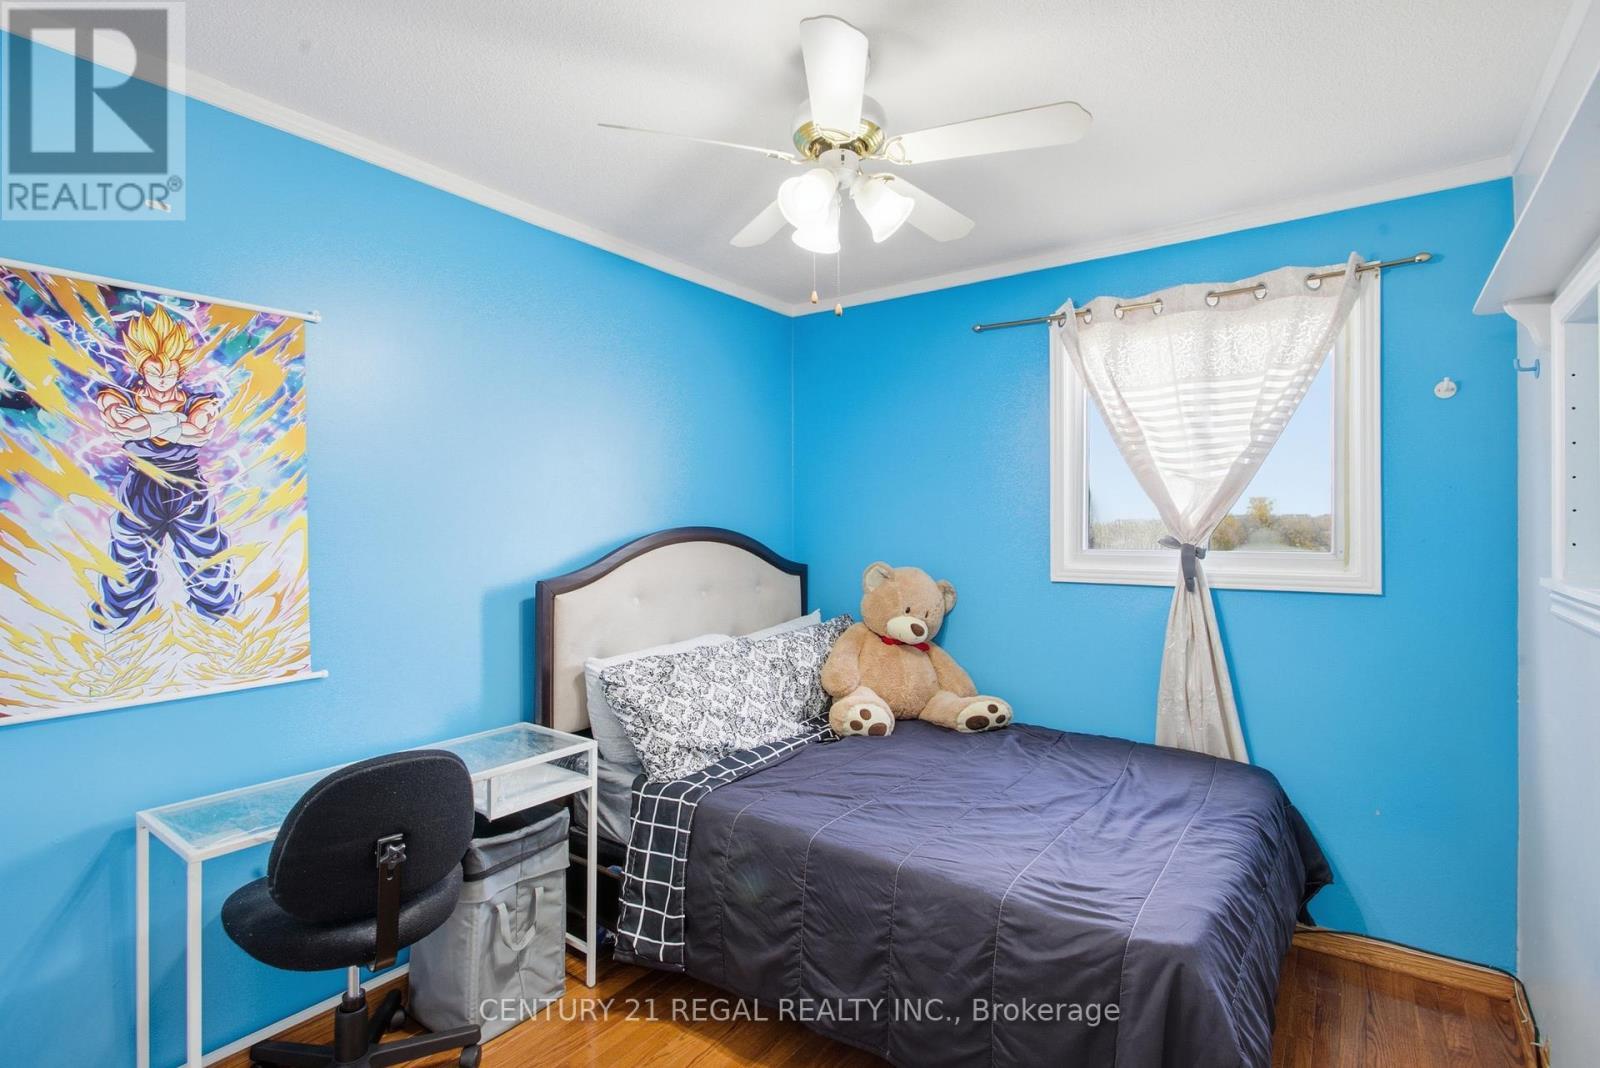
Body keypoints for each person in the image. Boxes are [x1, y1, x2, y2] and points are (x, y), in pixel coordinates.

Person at [93, 305, 237, 629]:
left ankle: (220, 628)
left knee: (207, 559)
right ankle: (122, 631)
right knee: (129, 561)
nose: (162, 379)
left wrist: (149, 423)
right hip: (140, 485)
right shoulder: (116, 396)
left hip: (188, 487)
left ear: (179, 370)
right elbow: (123, 426)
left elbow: (199, 431)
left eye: (169, 372)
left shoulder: (201, 401)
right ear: (141, 369)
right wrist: (176, 423)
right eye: (154, 371)